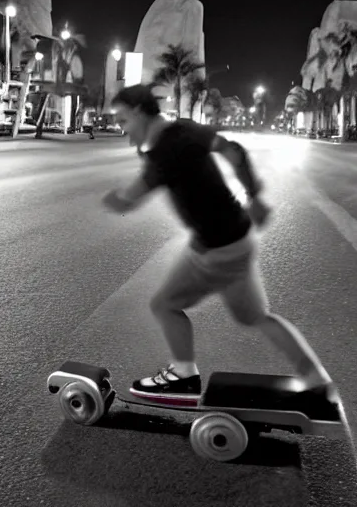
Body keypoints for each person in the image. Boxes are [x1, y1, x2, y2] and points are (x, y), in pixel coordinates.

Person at [102, 83, 335, 402]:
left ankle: (183, 375)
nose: (124, 131)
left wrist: (113, 199)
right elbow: (234, 151)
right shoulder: (185, 129)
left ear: (140, 112)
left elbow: (129, 199)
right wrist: (254, 197)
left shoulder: (164, 155)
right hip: (238, 238)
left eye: (123, 120)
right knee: (255, 316)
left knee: (165, 305)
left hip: (216, 251)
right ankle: (316, 378)